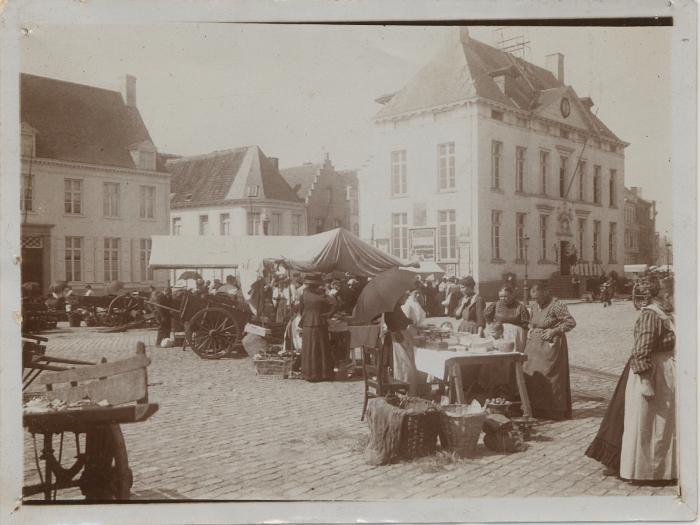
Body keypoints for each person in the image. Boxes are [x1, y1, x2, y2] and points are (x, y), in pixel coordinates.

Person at [619, 276, 676, 482]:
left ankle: (663, 470)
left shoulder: (664, 314)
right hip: (653, 374)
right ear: (666, 295)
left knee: (663, 425)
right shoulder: (651, 316)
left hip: (664, 372)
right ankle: (649, 472)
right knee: (653, 424)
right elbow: (641, 351)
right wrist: (646, 382)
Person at [522, 281, 576, 420]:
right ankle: (536, 408)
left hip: (550, 346)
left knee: (550, 375)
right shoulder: (534, 306)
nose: (536, 301)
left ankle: (553, 410)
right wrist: (531, 329)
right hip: (534, 348)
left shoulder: (557, 305)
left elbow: (570, 322)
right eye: (533, 298)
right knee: (533, 374)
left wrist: (554, 331)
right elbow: (532, 321)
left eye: (538, 298)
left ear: (546, 292)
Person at [481, 285, 530, 394]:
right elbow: (487, 316)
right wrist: (493, 327)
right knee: (497, 362)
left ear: (512, 295)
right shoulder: (496, 305)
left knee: (512, 362)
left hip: (515, 338)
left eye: (506, 296)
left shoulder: (520, 307)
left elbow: (525, 324)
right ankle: (495, 388)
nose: (503, 298)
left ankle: (513, 389)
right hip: (499, 336)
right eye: (501, 296)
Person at [299, 273, 334, 382]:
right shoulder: (322, 294)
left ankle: (309, 373)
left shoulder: (303, 294)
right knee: (322, 348)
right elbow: (334, 305)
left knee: (309, 348)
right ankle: (324, 373)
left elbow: (301, 309)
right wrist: (327, 314)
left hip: (308, 323)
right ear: (318, 284)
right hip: (320, 322)